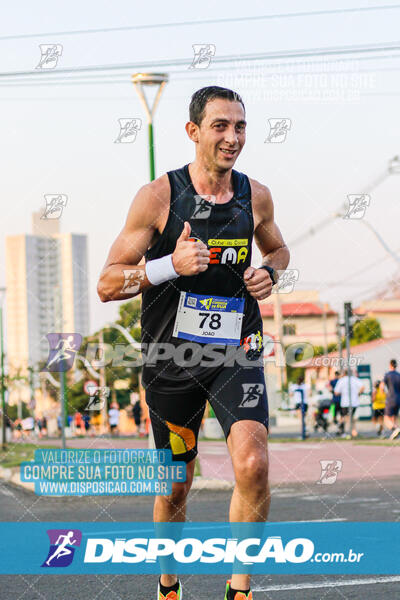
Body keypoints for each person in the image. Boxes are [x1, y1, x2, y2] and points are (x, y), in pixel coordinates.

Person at [98, 85, 290, 600]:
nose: (233, 138)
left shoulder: (257, 195)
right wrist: (167, 266)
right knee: (175, 485)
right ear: (193, 131)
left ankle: (240, 589)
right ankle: (168, 584)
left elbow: (279, 249)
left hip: (236, 351)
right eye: (221, 126)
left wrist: (269, 273)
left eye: (241, 126)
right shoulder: (160, 197)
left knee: (254, 464)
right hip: (170, 360)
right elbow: (107, 283)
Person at [333, 369, 365, 438]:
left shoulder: (341, 380)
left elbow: (336, 392)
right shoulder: (355, 379)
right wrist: (358, 394)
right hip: (354, 402)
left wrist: (342, 392)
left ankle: (350, 432)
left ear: (344, 374)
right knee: (350, 417)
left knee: (347, 417)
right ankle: (351, 432)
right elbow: (362, 387)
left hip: (345, 403)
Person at [383, 359, 400, 440]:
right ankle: (395, 434)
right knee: (394, 417)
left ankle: (396, 429)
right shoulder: (399, 375)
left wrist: (384, 394)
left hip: (390, 398)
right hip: (398, 399)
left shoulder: (387, 374)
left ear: (390, 365)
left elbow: (382, 387)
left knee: (386, 418)